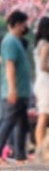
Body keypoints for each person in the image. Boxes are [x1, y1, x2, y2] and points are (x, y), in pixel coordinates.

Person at [0, 10, 31, 164]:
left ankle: (20, 156)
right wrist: (12, 89)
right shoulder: (10, 41)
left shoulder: (16, 41)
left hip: (21, 90)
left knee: (22, 124)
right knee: (9, 122)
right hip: (15, 90)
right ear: (18, 24)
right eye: (24, 24)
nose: (26, 27)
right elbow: (9, 64)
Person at [33, 16, 49, 161]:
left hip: (41, 82)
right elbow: (44, 65)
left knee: (43, 115)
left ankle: (42, 149)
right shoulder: (46, 45)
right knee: (44, 115)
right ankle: (40, 150)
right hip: (45, 82)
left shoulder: (39, 43)